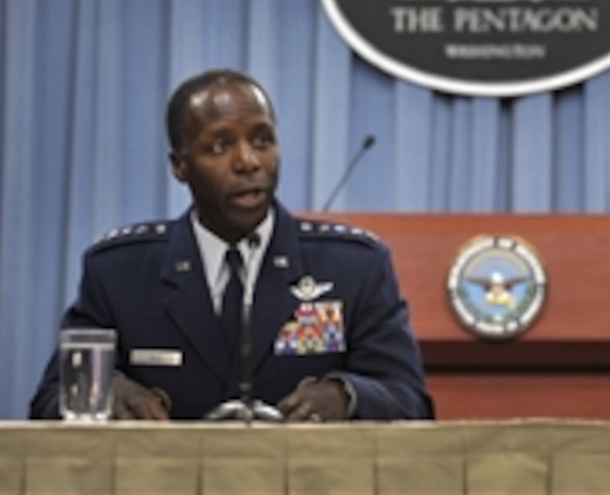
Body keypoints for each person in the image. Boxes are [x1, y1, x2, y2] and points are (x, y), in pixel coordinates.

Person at [30, 68, 434, 421]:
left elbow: (411, 401)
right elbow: (48, 402)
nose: (247, 162)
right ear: (179, 165)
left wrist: (347, 396)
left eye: (262, 141)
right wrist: (104, 392)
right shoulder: (119, 272)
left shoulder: (353, 268)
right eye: (220, 146)